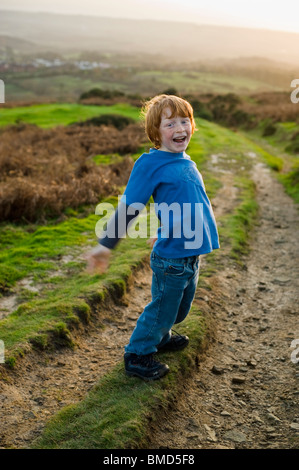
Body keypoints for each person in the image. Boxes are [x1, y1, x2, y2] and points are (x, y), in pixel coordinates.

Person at [86, 94, 219, 381]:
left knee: (179, 310)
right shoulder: (150, 164)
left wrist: (165, 229)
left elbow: (181, 204)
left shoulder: (183, 160)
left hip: (190, 254)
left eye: (185, 121)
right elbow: (130, 206)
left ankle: (162, 337)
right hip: (172, 258)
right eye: (170, 124)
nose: (180, 128)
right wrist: (105, 246)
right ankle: (137, 354)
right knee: (161, 308)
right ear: (155, 133)